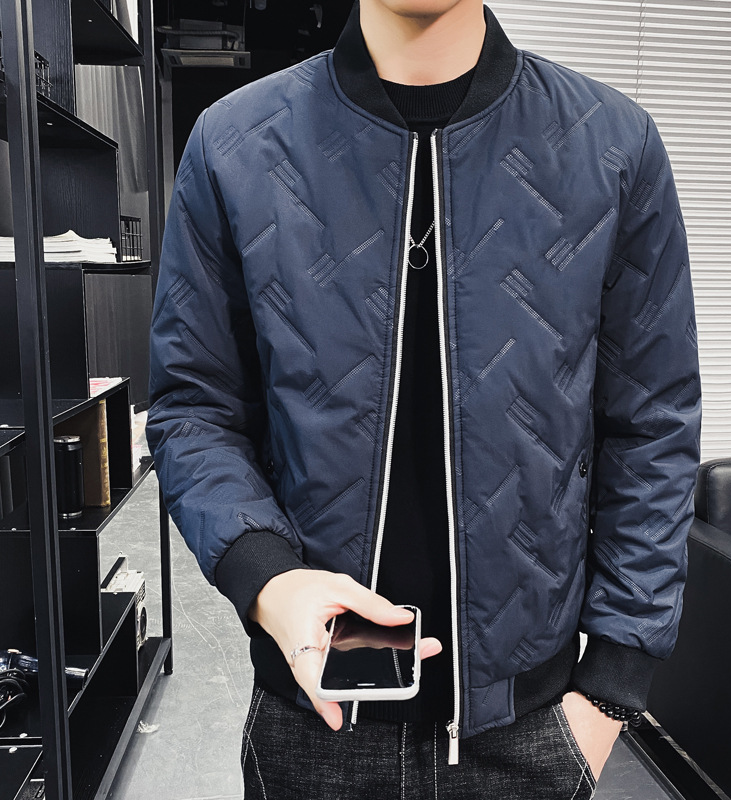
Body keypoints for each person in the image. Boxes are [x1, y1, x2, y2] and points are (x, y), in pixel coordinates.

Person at [146, 0, 702, 797]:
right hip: (313, 722)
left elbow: (653, 426)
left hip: (531, 731)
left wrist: (611, 688)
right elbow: (194, 408)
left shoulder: (611, 144)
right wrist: (270, 580)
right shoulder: (234, 143)